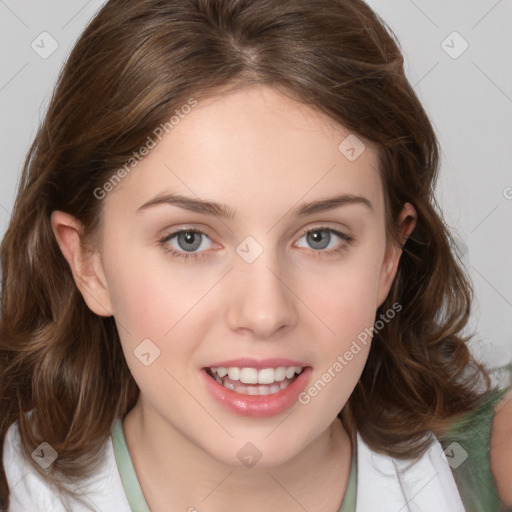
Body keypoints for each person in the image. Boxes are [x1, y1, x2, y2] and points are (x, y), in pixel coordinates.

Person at [0, 0, 511, 511]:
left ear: (388, 257)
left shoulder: (491, 466)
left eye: (320, 237)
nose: (264, 314)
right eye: (189, 239)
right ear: (88, 263)